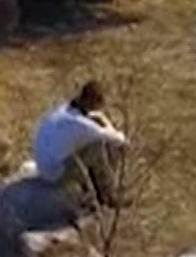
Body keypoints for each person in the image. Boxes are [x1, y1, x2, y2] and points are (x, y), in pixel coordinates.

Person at [32, 81, 128, 209]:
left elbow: (95, 119)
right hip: (55, 173)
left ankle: (91, 189)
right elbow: (119, 139)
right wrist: (107, 124)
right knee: (98, 148)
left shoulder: (63, 110)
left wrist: (98, 118)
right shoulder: (80, 124)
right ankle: (107, 196)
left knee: (85, 148)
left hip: (44, 165)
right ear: (91, 101)